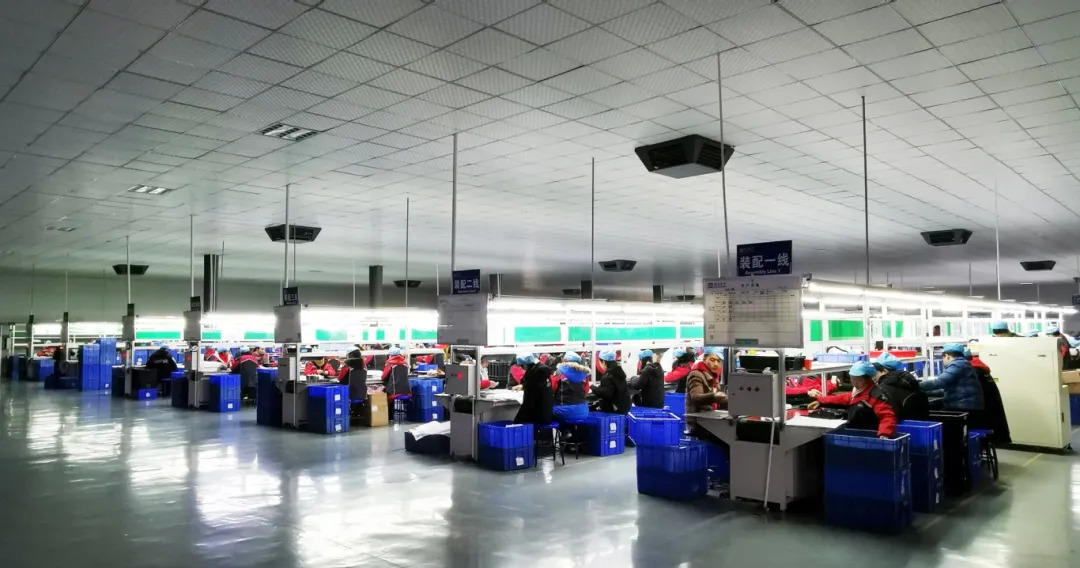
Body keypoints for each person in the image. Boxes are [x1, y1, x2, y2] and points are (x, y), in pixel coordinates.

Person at [810, 361, 897, 438]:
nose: (854, 382)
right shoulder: (857, 392)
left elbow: (887, 416)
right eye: (852, 378)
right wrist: (820, 401)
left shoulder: (876, 396)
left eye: (858, 379)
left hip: (870, 436)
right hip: (855, 433)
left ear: (867, 379)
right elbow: (841, 398)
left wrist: (884, 434)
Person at [918, 343, 984, 412]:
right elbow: (944, 390)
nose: (943, 361)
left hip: (964, 407)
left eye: (943, 358)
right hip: (968, 405)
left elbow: (939, 382)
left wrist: (916, 385)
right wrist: (923, 392)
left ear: (947, 356)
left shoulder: (957, 365)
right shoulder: (963, 364)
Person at [685, 347, 728, 443]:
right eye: (712, 360)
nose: (716, 364)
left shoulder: (712, 375)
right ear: (704, 359)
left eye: (719, 361)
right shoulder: (696, 374)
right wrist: (714, 397)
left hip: (708, 419)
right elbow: (696, 397)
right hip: (699, 423)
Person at [872, 353, 929, 421]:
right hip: (919, 424)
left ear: (884, 371)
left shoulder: (883, 389)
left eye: (875, 372)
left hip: (900, 426)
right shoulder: (907, 380)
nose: (873, 376)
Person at [513, 354, 554, 425]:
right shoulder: (543, 370)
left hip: (537, 415)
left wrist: (517, 420)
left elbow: (529, 400)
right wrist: (524, 385)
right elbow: (536, 385)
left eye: (522, 366)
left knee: (518, 424)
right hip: (547, 413)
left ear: (526, 364)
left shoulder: (534, 372)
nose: (523, 368)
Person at [593, 350, 631, 414]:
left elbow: (605, 394)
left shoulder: (608, 375)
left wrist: (592, 387)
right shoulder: (618, 371)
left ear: (604, 362)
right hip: (624, 406)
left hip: (615, 409)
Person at [339, 349, 368, 418]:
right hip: (362, 392)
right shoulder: (363, 364)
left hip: (350, 392)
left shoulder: (347, 365)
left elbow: (340, 378)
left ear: (350, 355)